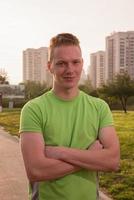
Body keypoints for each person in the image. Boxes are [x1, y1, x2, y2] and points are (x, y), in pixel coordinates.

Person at [20, 33, 120, 200]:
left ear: (82, 63)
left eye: (75, 62)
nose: (70, 70)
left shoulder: (99, 107)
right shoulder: (33, 109)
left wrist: (60, 152)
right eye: (61, 64)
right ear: (49, 66)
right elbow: (36, 171)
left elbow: (112, 161)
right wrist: (90, 156)